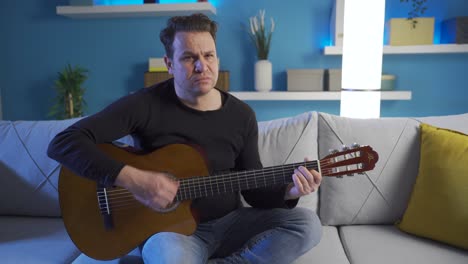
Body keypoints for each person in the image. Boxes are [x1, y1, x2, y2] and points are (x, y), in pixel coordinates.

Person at [48, 13, 322, 264]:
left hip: (231, 224)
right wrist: (133, 179)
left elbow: (253, 188)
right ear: (169, 64)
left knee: (307, 225)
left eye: (209, 55)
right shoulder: (143, 105)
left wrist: (290, 190)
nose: (202, 66)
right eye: (189, 57)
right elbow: (64, 142)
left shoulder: (241, 115)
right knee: (170, 256)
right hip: (169, 233)